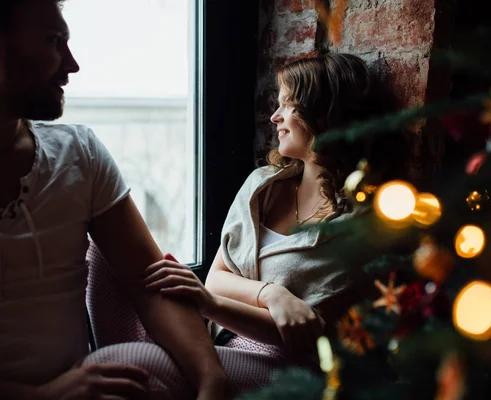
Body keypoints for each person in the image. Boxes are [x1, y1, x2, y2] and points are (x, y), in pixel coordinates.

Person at [0, 1, 231, 399]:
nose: (72, 64)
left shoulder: (79, 154)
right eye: (54, 41)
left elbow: (149, 282)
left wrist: (211, 379)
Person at [143, 52, 385, 366]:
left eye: (289, 104)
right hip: (215, 337)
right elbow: (216, 279)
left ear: (324, 116)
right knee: (98, 255)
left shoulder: (356, 223)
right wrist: (273, 294)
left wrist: (209, 304)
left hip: (275, 363)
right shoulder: (263, 186)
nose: (275, 117)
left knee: (138, 362)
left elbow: (307, 332)